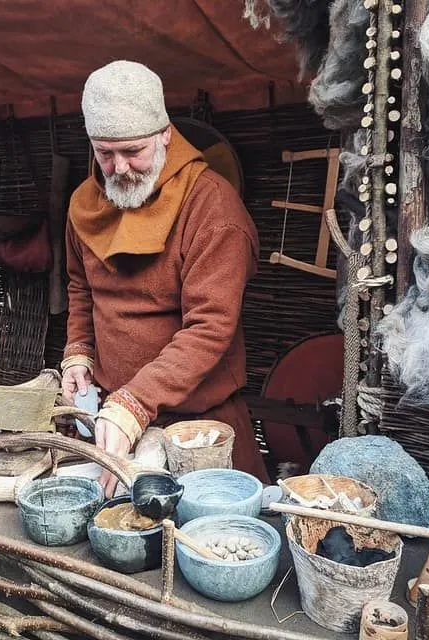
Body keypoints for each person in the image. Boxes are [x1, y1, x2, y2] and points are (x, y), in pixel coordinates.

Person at [60, 60, 270, 496]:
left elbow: (210, 327)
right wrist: (78, 353)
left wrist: (135, 401)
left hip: (200, 427)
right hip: (115, 420)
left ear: (165, 136)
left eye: (133, 151)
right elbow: (81, 286)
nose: (118, 169)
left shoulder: (212, 209)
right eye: (104, 153)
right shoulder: (84, 203)